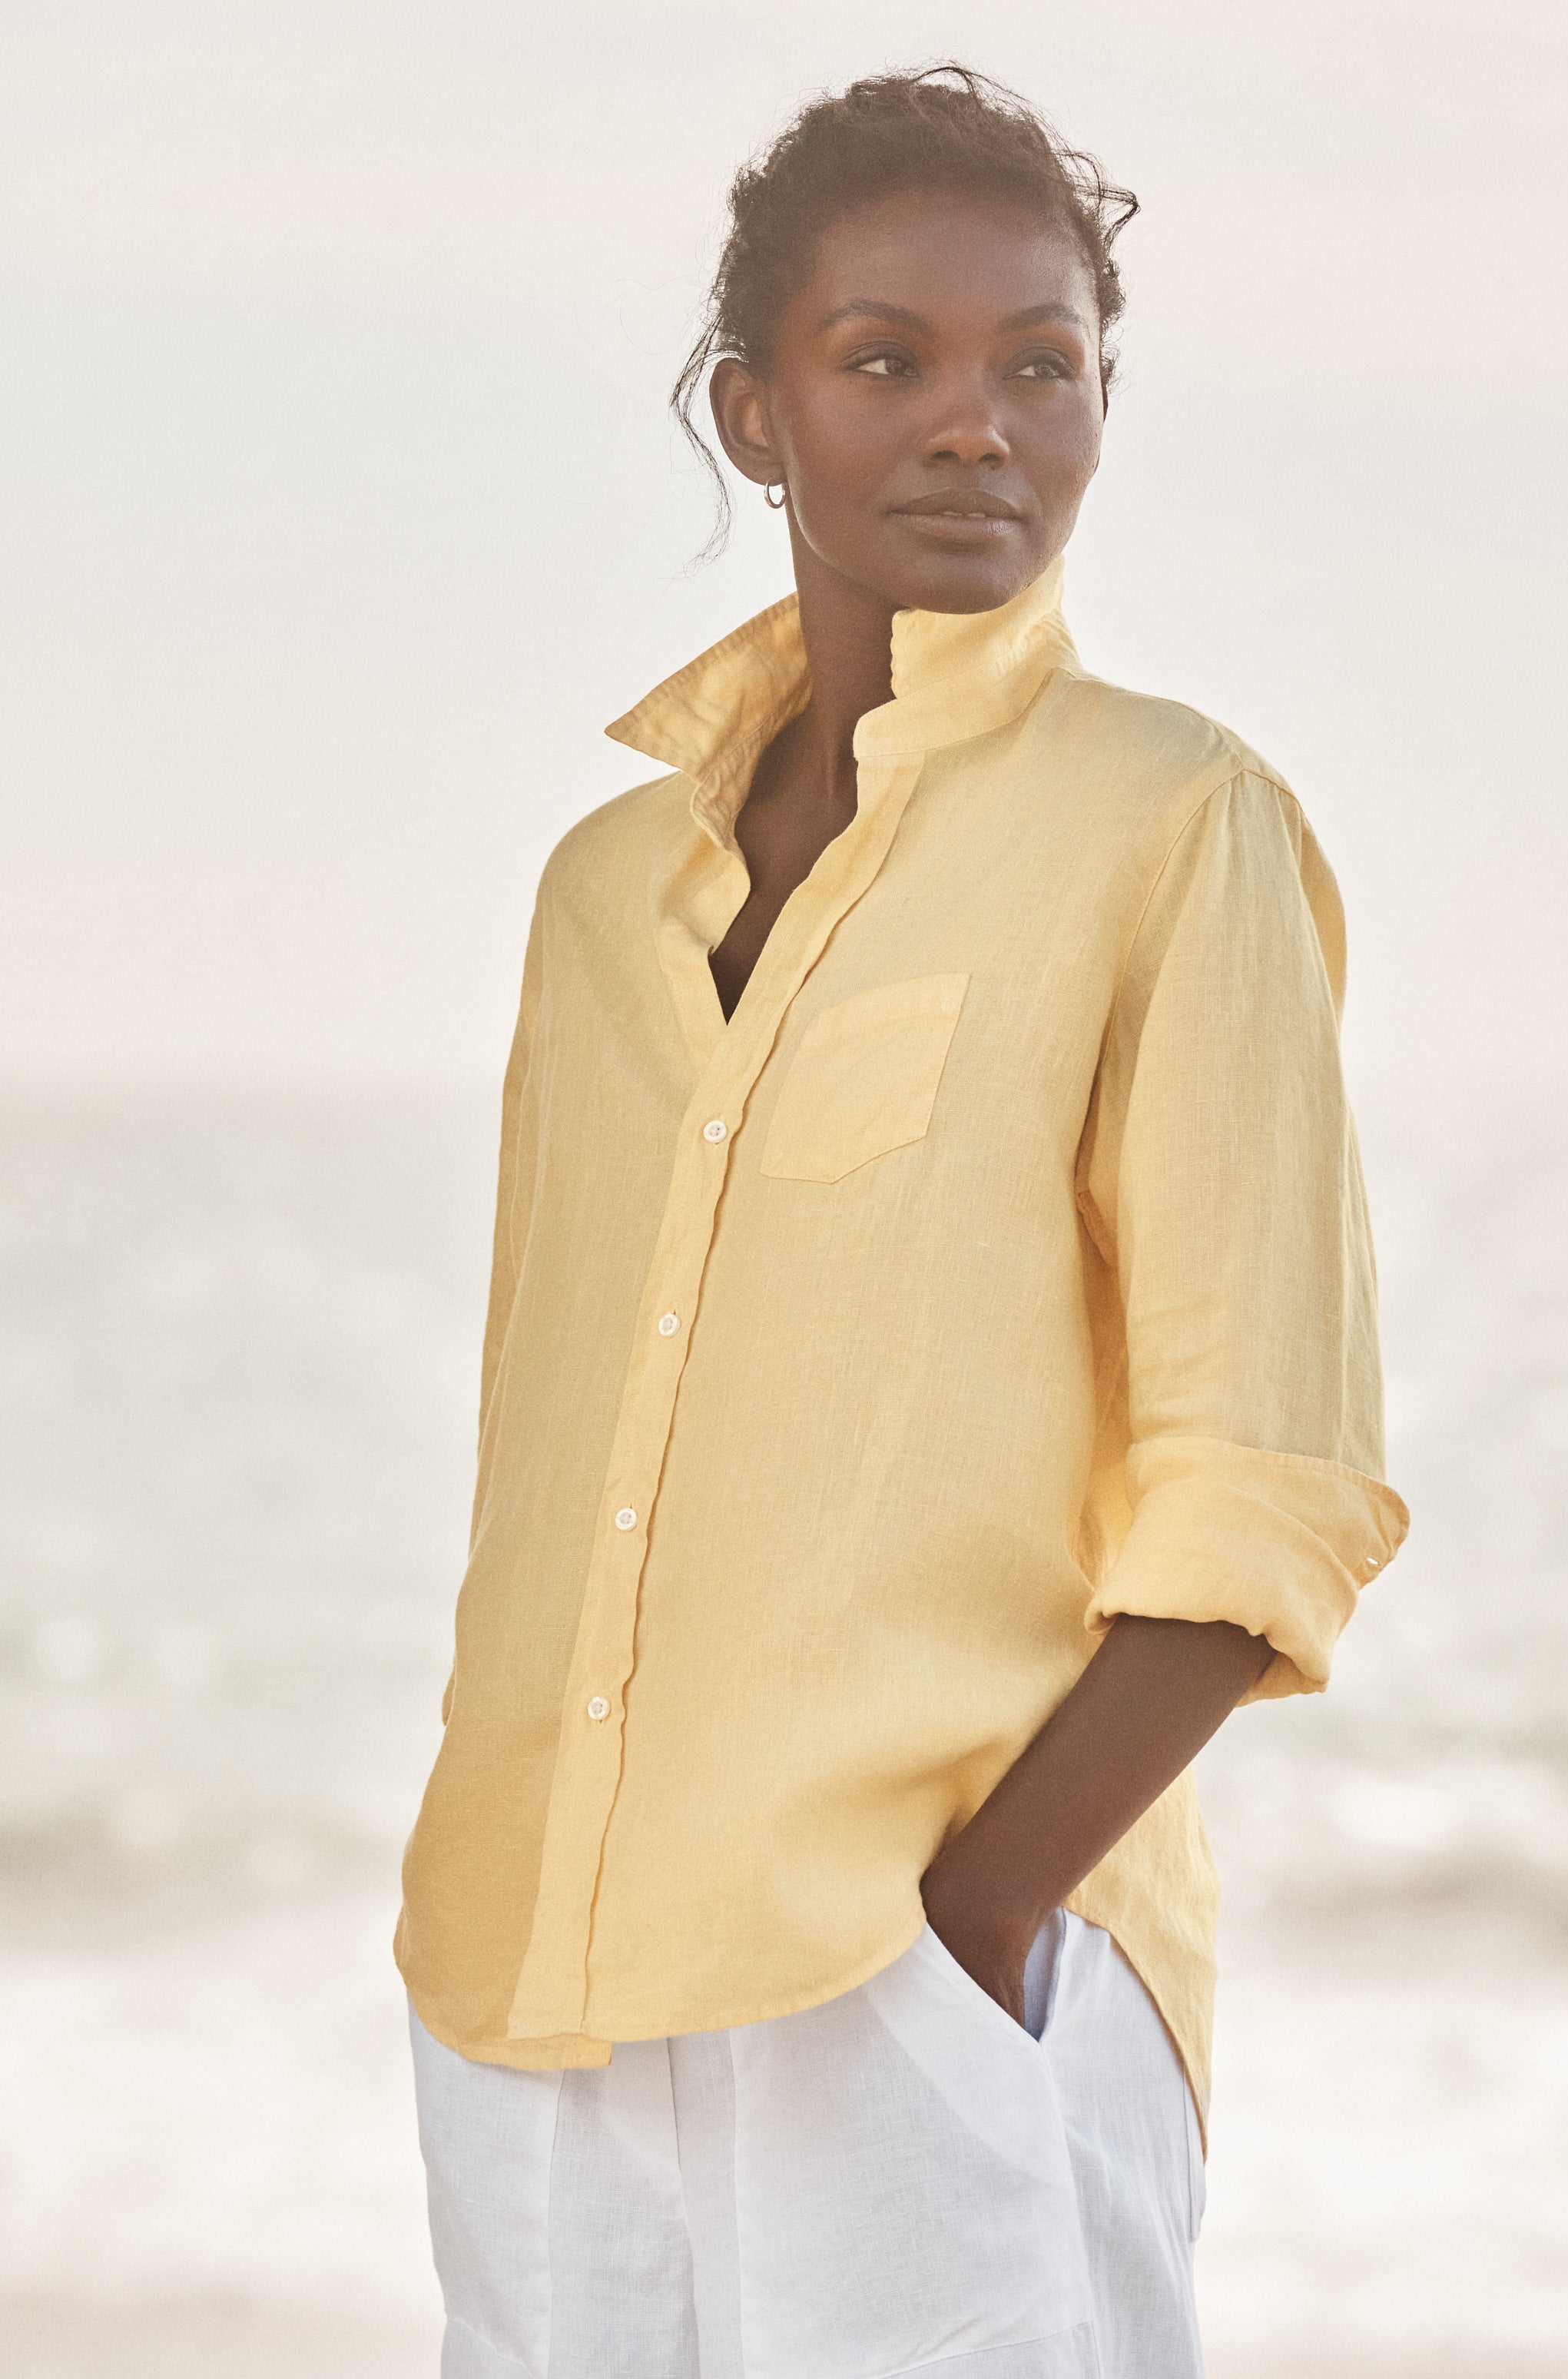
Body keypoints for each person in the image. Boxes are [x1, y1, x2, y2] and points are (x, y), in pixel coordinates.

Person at [396, 62, 1407, 2379]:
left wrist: (967, 1927)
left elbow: (1271, 1486)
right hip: (534, 1973)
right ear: (756, 418)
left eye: (1040, 364)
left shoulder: (1172, 825)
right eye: (891, 362)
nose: (979, 426)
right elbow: (549, 1451)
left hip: (925, 1987)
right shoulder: (599, 897)